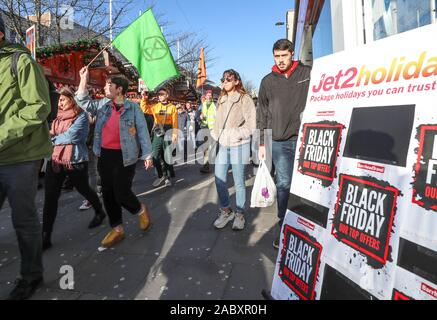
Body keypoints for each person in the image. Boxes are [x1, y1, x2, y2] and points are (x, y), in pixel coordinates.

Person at [0, 17, 52, 300]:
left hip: (21, 157)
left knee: (23, 219)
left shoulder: (20, 62)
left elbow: (39, 106)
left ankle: (31, 275)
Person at [75, 67, 154, 248]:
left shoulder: (133, 108)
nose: (105, 87)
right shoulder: (102, 105)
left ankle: (140, 209)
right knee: (108, 194)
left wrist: (148, 154)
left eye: (109, 85)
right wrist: (83, 78)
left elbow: (142, 131)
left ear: (119, 89)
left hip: (126, 156)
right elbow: (82, 101)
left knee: (121, 192)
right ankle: (117, 229)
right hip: (104, 154)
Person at [257, 39, 311, 249]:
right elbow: (261, 113)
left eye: (284, 56)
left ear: (292, 54)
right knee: (284, 184)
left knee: (306, 184)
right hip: (279, 142)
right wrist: (261, 142)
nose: (280, 60)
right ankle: (284, 226)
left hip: (305, 139)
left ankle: (306, 227)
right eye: (277, 57)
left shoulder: (307, 73)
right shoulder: (267, 81)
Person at [42, 88, 106, 250]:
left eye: (63, 100)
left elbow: (73, 136)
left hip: (76, 161)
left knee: (83, 189)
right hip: (56, 160)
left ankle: (99, 210)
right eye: (59, 100)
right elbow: (51, 132)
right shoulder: (57, 118)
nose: (60, 103)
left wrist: (52, 139)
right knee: (50, 198)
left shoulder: (82, 116)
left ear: (72, 100)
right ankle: (45, 236)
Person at [211, 69, 256, 230]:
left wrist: (237, 135)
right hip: (223, 144)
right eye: (223, 79)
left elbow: (251, 125)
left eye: (229, 79)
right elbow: (217, 121)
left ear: (237, 81)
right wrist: (216, 135)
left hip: (239, 145)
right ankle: (226, 210)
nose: (225, 81)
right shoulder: (221, 98)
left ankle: (239, 214)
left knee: (239, 182)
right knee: (219, 179)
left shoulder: (245, 99)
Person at [143, 87, 178, 187]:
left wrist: (174, 135)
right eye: (159, 94)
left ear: (167, 95)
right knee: (155, 156)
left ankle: (167, 177)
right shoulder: (155, 106)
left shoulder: (172, 107)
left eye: (162, 94)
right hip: (158, 133)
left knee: (167, 156)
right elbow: (144, 108)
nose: (160, 96)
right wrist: (144, 99)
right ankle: (160, 174)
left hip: (168, 132)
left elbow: (175, 123)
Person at [197, 90, 216, 173]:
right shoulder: (202, 105)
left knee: (215, 148)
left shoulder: (215, 105)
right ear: (205, 96)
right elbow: (197, 115)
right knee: (206, 148)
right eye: (208, 95)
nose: (209, 96)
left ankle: (218, 165)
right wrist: (200, 117)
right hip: (205, 128)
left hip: (213, 129)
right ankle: (206, 166)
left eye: (210, 95)